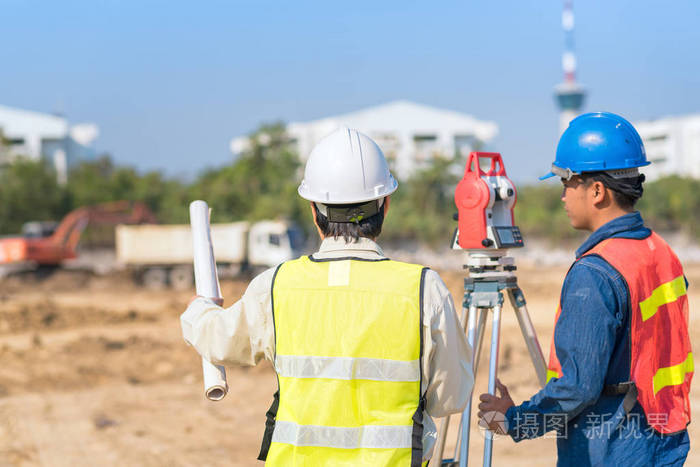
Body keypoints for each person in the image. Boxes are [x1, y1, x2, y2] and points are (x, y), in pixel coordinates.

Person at [181, 127, 474, 466]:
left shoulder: (277, 285)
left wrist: (198, 310)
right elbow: (450, 398)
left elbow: (218, 340)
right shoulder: (424, 289)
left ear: (313, 209)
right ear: (386, 204)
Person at [478, 112, 692, 466]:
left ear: (596, 190)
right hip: (662, 438)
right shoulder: (660, 251)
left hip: (611, 448)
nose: (563, 197)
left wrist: (514, 420)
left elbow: (578, 387)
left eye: (566, 182)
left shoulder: (596, 272)